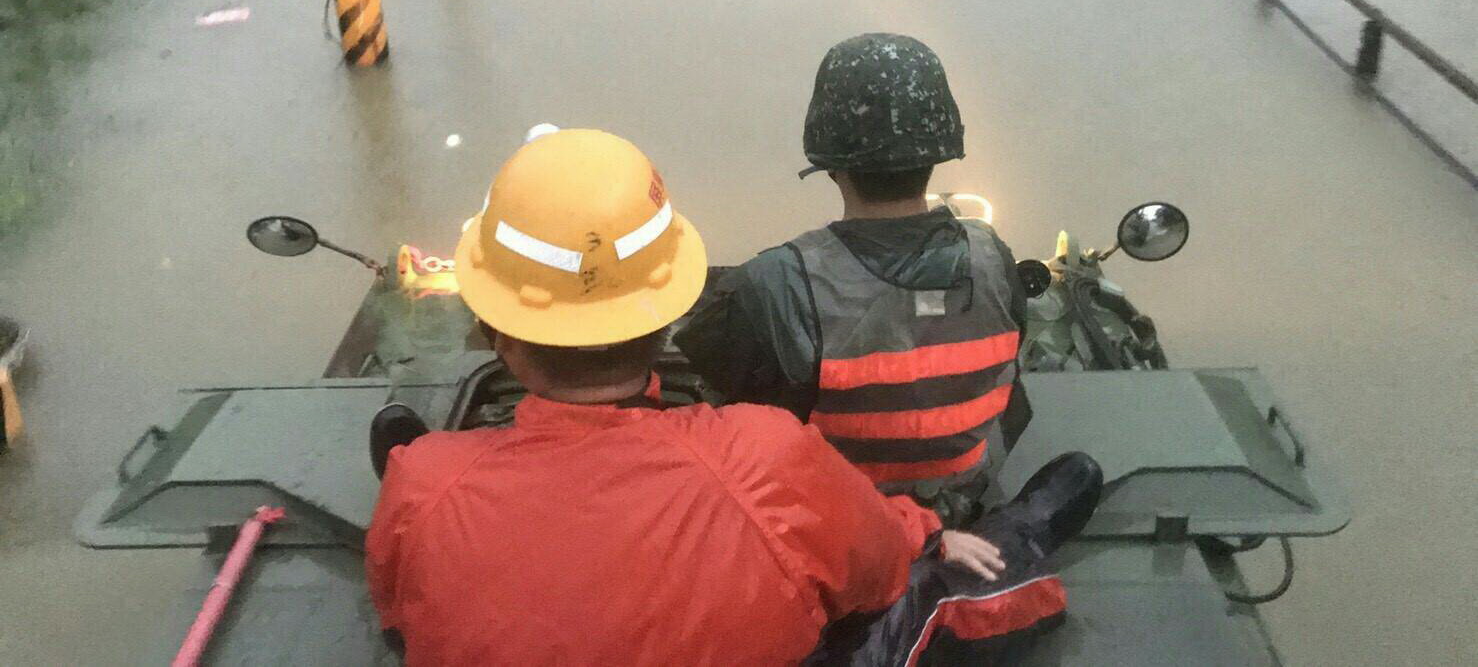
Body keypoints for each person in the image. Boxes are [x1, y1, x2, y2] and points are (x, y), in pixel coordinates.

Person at [365, 127, 1098, 665]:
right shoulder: (764, 458)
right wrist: (926, 532)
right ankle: (1024, 532)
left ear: (494, 330)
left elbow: (402, 617)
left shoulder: (421, 485)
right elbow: (876, 572)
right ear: (665, 317)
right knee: (939, 586)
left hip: (440, 497)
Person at [676, 34, 1032, 525]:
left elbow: (734, 417)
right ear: (939, 148)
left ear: (828, 163)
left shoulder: (775, 283)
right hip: (964, 512)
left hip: (836, 531)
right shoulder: (995, 258)